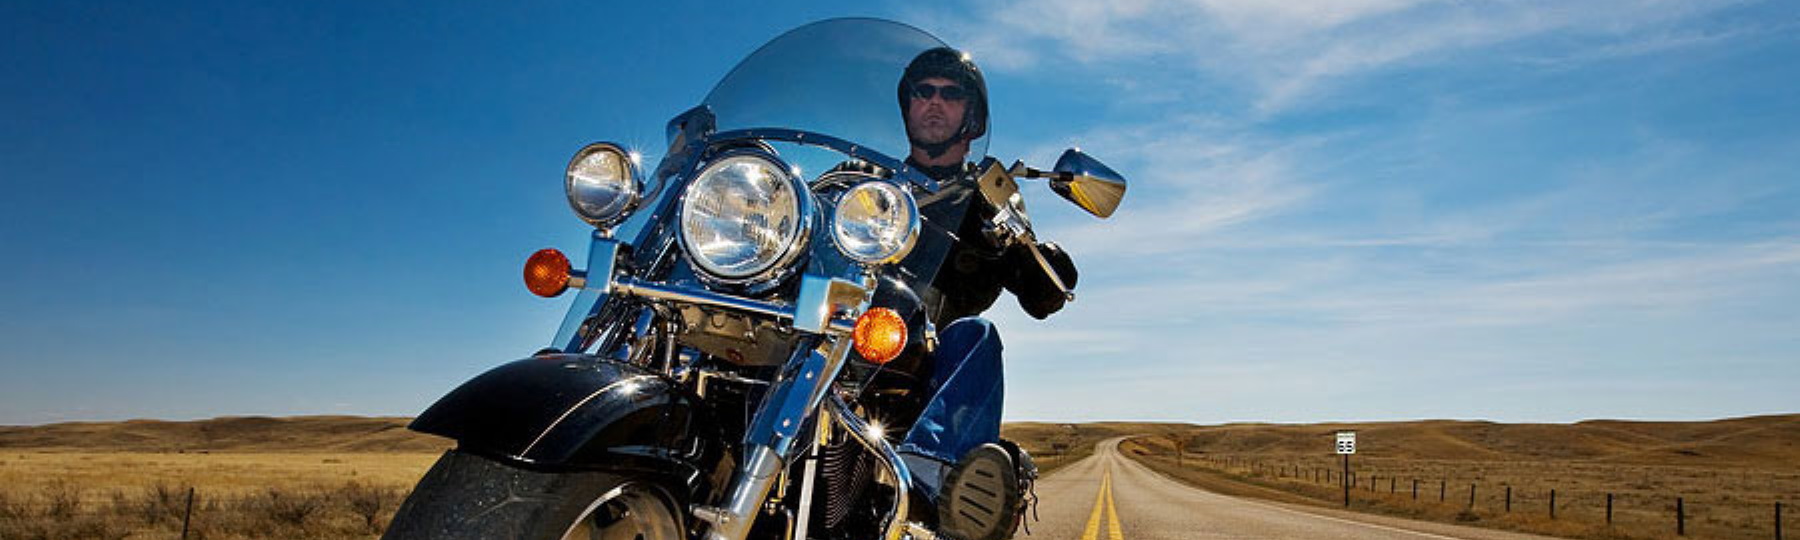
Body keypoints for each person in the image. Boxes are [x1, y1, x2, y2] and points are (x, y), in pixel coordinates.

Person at [888, 47, 1078, 540]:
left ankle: (929, 475)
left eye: (951, 94)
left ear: (972, 117)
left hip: (926, 364)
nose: (934, 102)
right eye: (923, 91)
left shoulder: (988, 202)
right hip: (834, 337)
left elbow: (1042, 297)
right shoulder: (866, 181)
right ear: (907, 105)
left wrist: (1035, 256)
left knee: (976, 334)